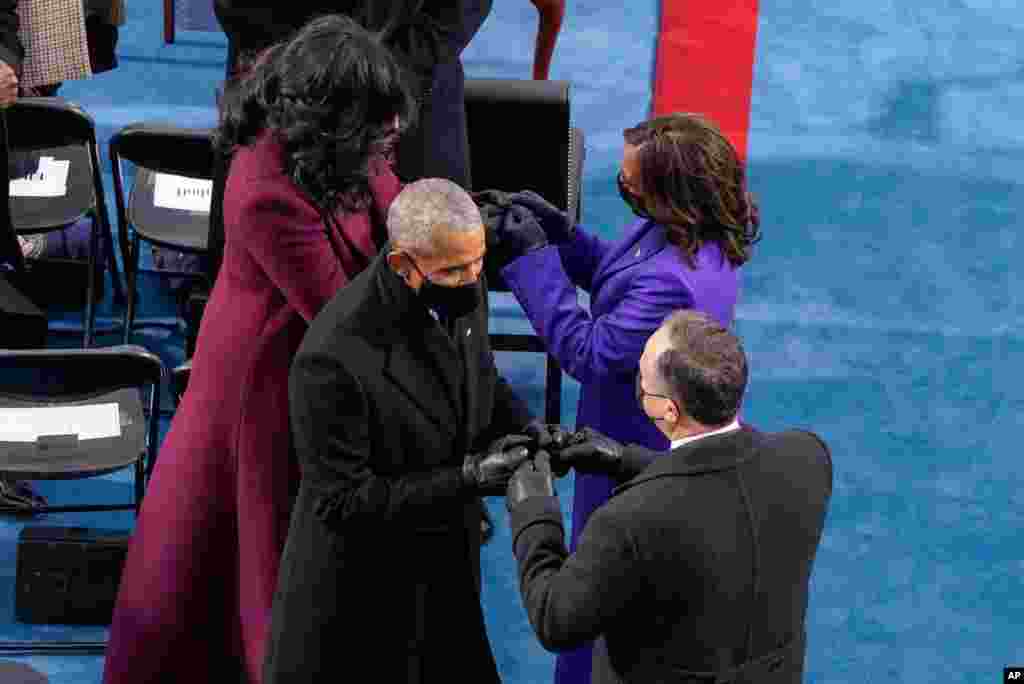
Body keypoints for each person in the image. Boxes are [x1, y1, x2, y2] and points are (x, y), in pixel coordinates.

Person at [103, 16, 415, 684]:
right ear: (334, 120)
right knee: (256, 562)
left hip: (308, 365)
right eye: (378, 127)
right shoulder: (265, 188)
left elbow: (390, 195)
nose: (391, 138)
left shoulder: (339, 144)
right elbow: (340, 312)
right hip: (265, 390)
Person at [489, 111, 761, 684]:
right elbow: (618, 277)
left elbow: (587, 351)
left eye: (633, 178)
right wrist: (560, 234)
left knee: (601, 588)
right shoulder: (683, 231)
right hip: (636, 428)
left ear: (668, 192)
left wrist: (532, 260)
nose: (623, 182)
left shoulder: (673, 280)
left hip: (629, 446)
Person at [264, 177, 561, 683]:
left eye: (478, 263)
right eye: (454, 271)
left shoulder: (460, 275)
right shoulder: (332, 358)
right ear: (403, 264)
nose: (472, 278)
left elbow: (478, 373)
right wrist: (468, 477)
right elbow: (343, 502)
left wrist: (526, 426)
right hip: (362, 600)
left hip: (443, 568)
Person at [506, 309, 833, 684]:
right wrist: (626, 459)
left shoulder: (627, 520)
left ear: (668, 409)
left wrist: (535, 512)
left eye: (642, 380)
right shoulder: (807, 457)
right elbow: (719, 485)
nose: (638, 383)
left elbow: (556, 620)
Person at [206, 0, 506, 284]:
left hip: (412, 91)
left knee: (440, 282)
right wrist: (312, 74)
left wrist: (388, 78)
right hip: (285, 97)